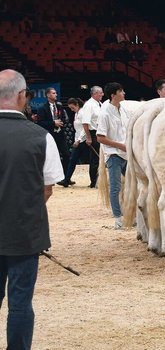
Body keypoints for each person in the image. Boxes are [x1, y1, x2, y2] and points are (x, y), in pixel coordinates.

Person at [0, 69, 64, 350]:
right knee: (20, 302)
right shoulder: (41, 136)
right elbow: (47, 188)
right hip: (24, 233)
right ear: (22, 96)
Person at [97, 82, 129, 229]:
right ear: (113, 95)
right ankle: (118, 218)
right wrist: (120, 145)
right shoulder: (104, 113)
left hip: (126, 154)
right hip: (114, 154)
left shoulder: (124, 110)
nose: (124, 93)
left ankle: (130, 214)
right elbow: (100, 137)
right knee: (115, 188)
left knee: (132, 185)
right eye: (121, 91)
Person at [34, 87, 73, 187]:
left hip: (60, 134)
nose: (56, 94)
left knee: (67, 155)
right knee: (49, 157)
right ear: (48, 95)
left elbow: (64, 118)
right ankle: (49, 178)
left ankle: (64, 177)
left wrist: (61, 122)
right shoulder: (42, 108)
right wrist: (53, 123)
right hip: (50, 135)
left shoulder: (59, 107)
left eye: (56, 93)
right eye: (53, 93)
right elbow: (40, 123)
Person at [64, 98, 91, 185]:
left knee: (91, 160)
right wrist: (76, 140)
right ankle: (66, 180)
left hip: (84, 140)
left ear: (77, 104)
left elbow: (85, 128)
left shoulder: (83, 113)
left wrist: (78, 140)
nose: (72, 110)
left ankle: (94, 181)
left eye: (72, 107)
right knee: (72, 160)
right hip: (78, 140)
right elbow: (77, 129)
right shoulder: (76, 114)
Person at [81, 86, 104, 188]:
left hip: (101, 132)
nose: (102, 94)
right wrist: (88, 137)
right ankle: (94, 181)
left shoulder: (100, 104)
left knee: (101, 158)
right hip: (93, 133)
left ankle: (100, 180)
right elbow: (85, 122)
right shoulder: (89, 105)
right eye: (100, 93)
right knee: (95, 158)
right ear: (94, 94)